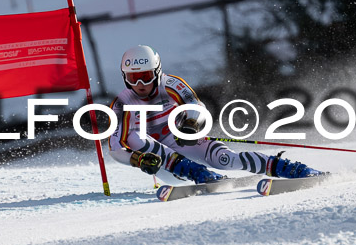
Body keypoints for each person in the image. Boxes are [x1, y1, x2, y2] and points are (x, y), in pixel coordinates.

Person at [108, 45, 323, 184]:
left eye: (145, 76)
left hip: (179, 140)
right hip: (163, 164)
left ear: (156, 71)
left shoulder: (171, 84)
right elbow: (115, 148)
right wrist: (139, 160)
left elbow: (196, 107)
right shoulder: (122, 104)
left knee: (226, 159)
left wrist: (190, 125)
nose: (139, 84)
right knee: (136, 137)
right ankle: (193, 172)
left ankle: (288, 168)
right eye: (132, 78)